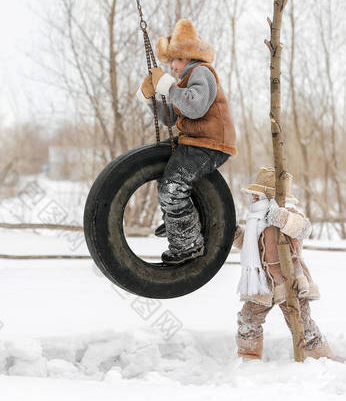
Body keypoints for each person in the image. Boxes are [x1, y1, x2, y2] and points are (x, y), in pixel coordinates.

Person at [137, 19, 237, 264]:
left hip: (210, 143)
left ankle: (187, 244)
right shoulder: (183, 82)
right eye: (170, 62)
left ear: (188, 57)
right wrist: (152, 99)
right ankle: (177, 219)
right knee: (166, 170)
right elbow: (171, 118)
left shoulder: (201, 72)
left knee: (174, 186)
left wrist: (168, 87)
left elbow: (194, 106)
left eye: (175, 60)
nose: (171, 67)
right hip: (195, 141)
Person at [233, 167, 335, 361]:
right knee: (248, 320)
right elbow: (248, 244)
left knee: (301, 323)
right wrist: (235, 234)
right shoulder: (256, 221)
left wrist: (282, 218)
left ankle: (320, 359)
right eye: (253, 195)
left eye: (257, 195)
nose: (252, 198)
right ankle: (248, 356)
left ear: (270, 197)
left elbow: (303, 228)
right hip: (262, 283)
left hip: (289, 282)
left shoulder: (288, 214)